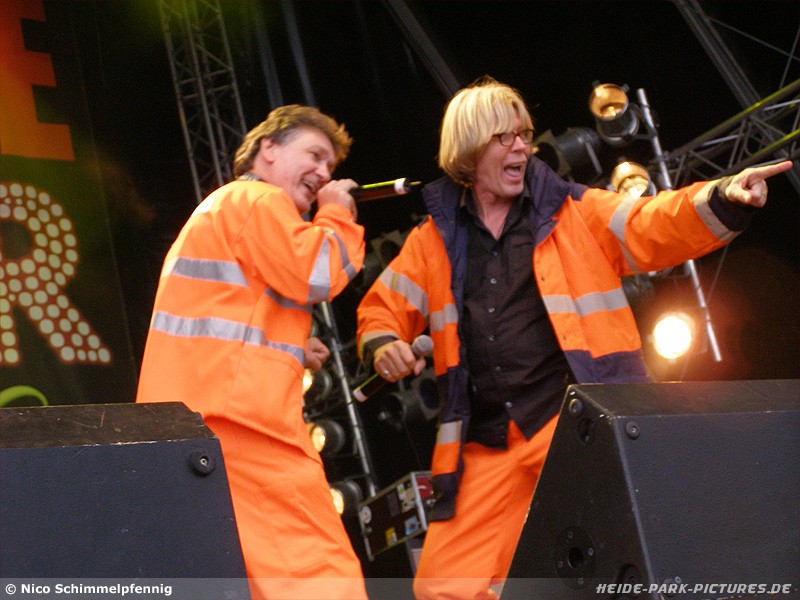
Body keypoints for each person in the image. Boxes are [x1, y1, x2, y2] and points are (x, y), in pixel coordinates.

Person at [355, 76, 793, 600]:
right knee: (441, 588)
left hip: (570, 423)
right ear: (469, 151)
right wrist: (383, 344)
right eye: (504, 137)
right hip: (487, 445)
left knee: (633, 556)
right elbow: (382, 307)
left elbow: (652, 222)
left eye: (525, 134)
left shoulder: (573, 210)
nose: (521, 147)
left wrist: (722, 196)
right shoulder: (433, 240)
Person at [136, 104, 368, 600]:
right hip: (244, 430)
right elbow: (317, 271)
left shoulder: (225, 207)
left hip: (193, 425)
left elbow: (228, 315)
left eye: (331, 166)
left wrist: (292, 347)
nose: (324, 173)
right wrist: (338, 214)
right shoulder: (260, 200)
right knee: (316, 572)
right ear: (269, 149)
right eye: (315, 155)